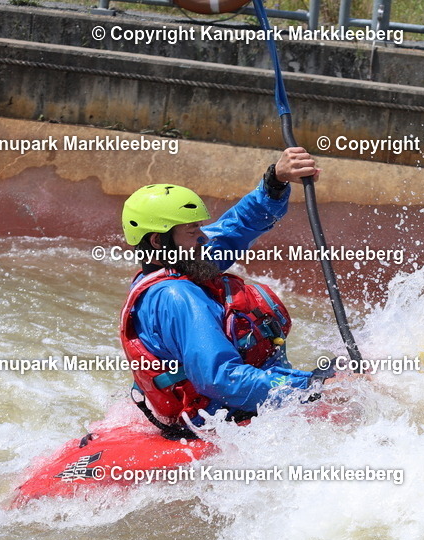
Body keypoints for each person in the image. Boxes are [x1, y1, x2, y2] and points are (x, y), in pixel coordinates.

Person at [118, 147, 333, 439]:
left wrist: (275, 182)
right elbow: (220, 378)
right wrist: (310, 387)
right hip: (221, 418)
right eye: (193, 230)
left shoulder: (181, 262)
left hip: (234, 403)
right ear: (159, 240)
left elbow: (236, 228)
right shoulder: (178, 297)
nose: (203, 237)